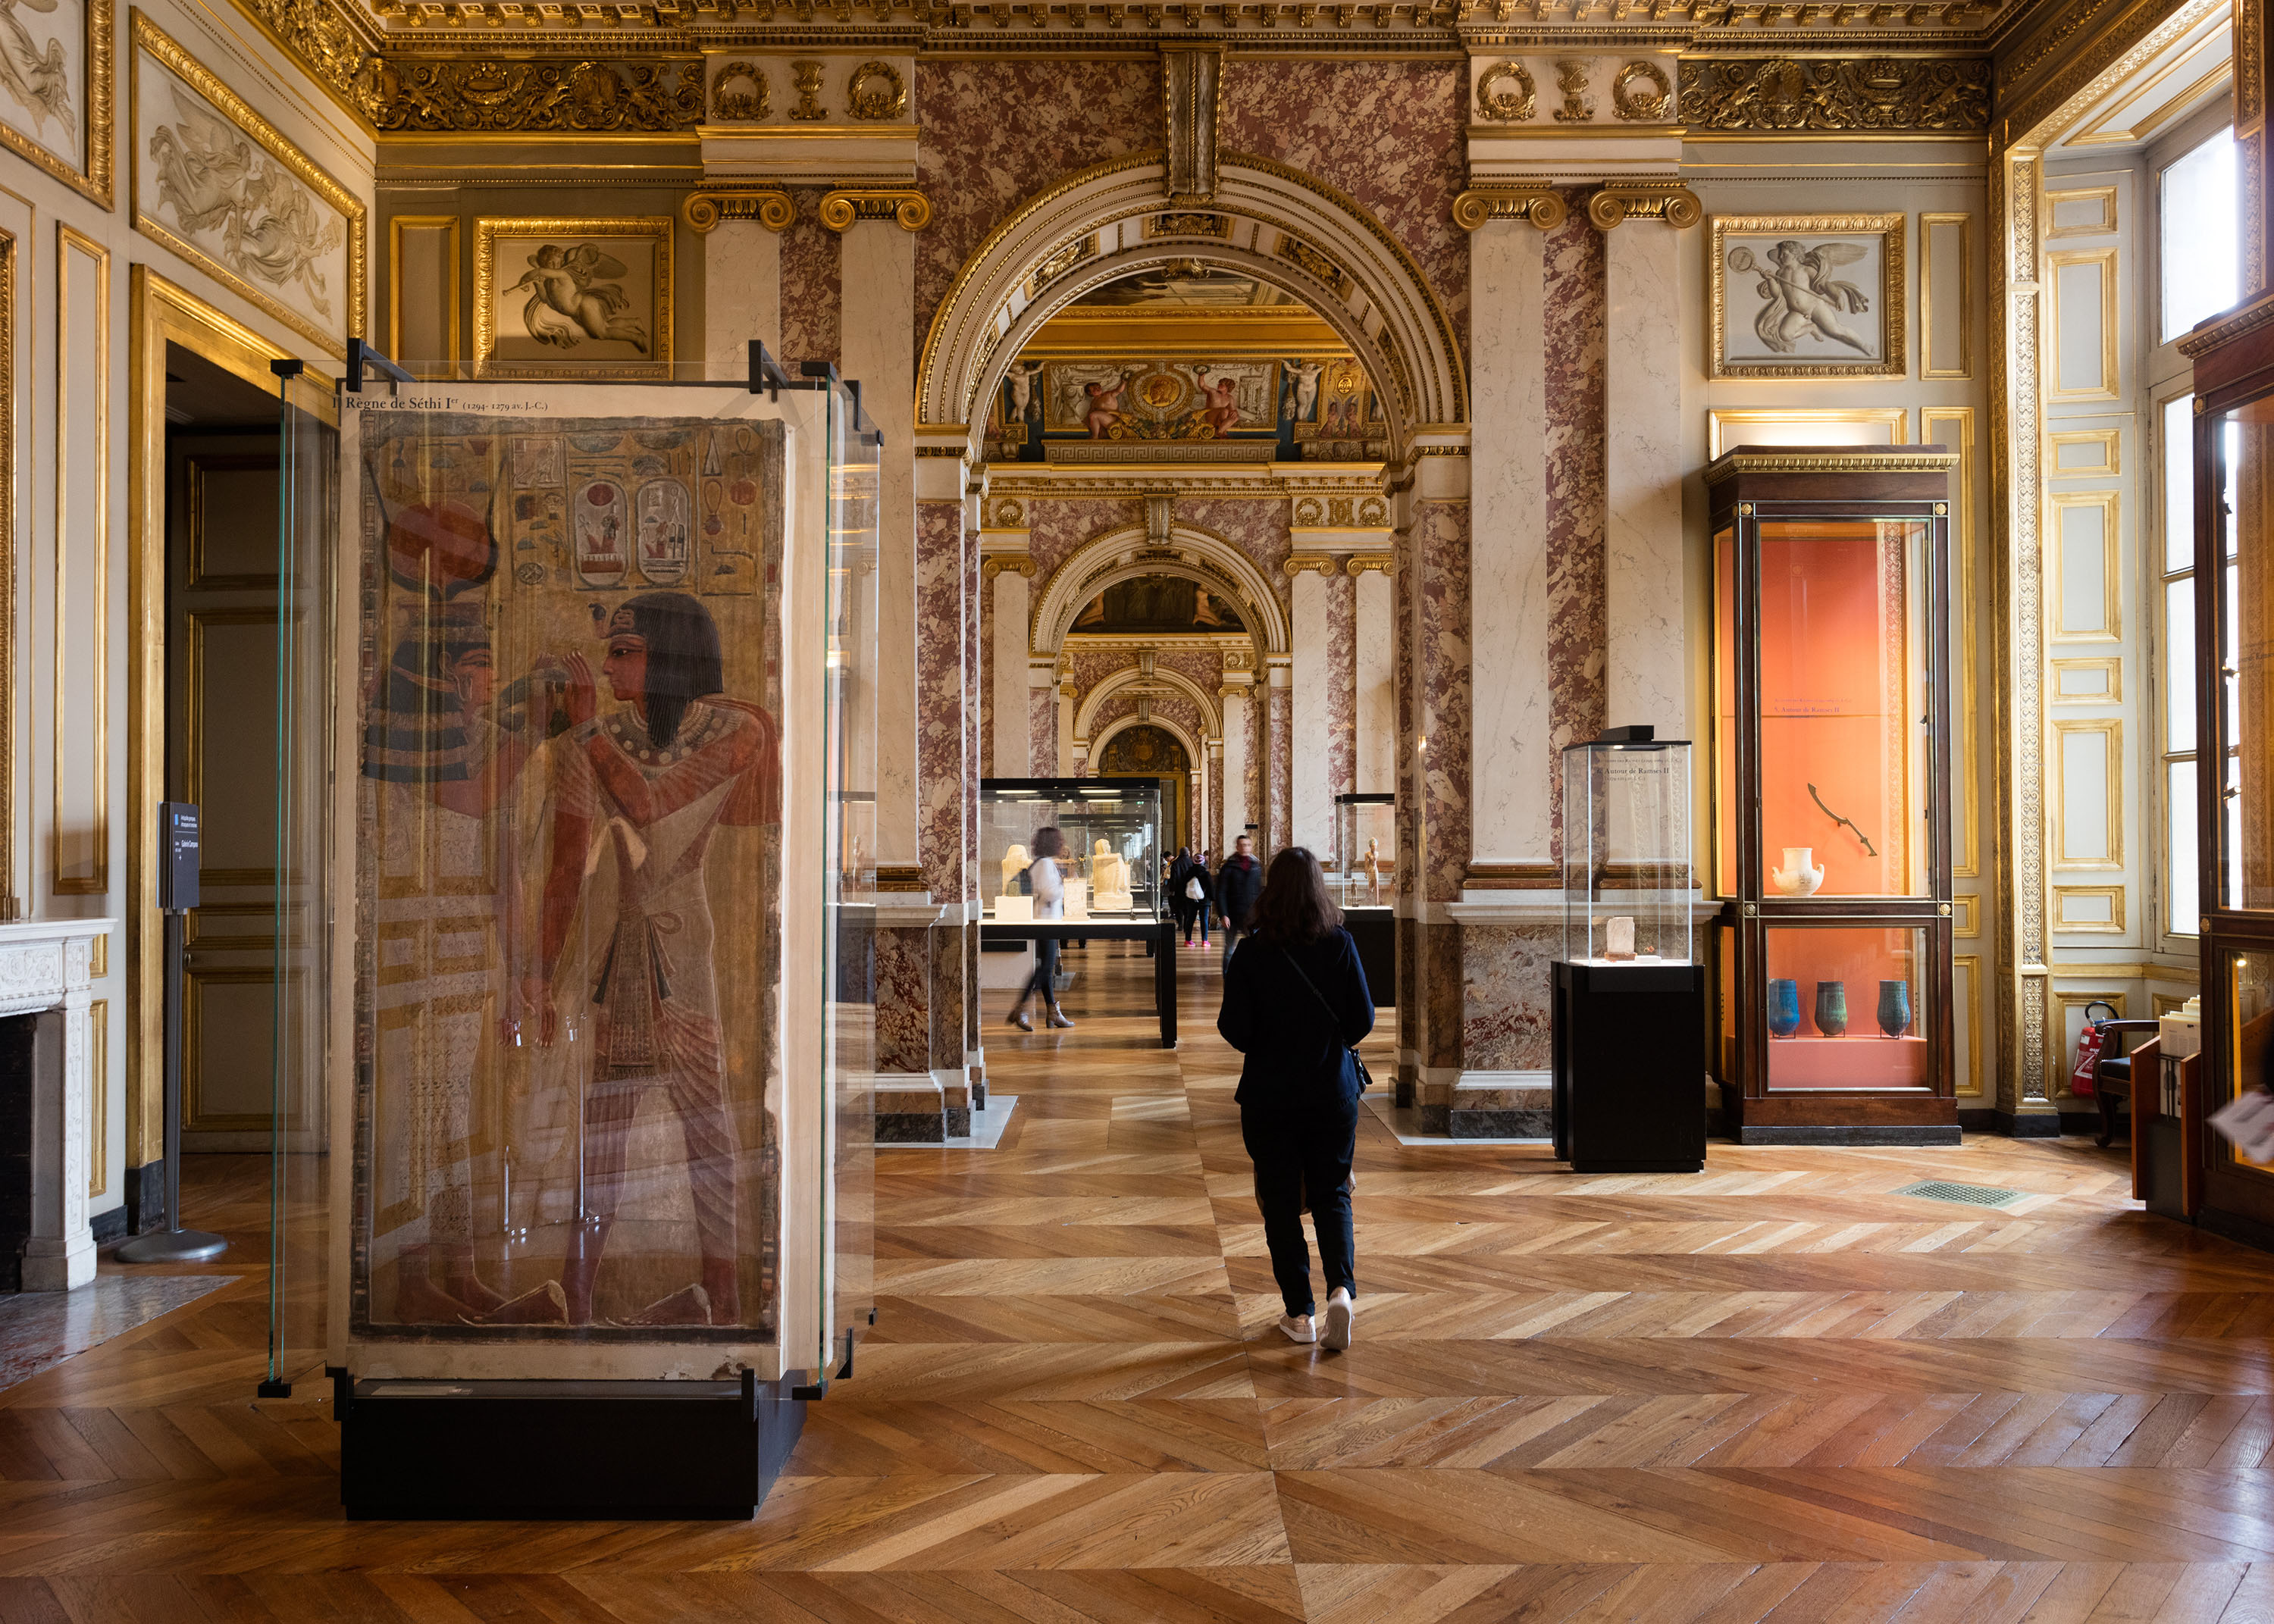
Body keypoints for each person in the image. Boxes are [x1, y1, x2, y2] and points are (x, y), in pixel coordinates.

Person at [1217, 847, 1372, 1350]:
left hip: (1270, 1096)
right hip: (1332, 1091)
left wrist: (1269, 1039)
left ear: (1271, 891)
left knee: (1280, 1204)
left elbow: (1234, 1029)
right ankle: (1341, 1292)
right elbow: (1362, 1020)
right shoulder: (1341, 944)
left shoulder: (1251, 952)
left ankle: (1300, 1313)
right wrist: (1327, 1041)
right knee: (1332, 1194)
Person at [1007, 825, 1074, 1032]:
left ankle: (1053, 1012)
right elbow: (1049, 893)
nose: (1062, 844)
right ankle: (1020, 1008)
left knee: (1046, 967)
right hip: (1046, 921)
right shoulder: (1045, 864)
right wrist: (1066, 885)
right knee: (1045, 968)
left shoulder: (1041, 863)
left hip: (1046, 920)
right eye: (1059, 840)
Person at [1214, 834, 1263, 973]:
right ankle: (1227, 975)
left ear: (1251, 847)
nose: (1244, 848)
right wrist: (1223, 914)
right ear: (1237, 847)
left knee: (1256, 948)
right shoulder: (1228, 867)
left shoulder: (1256, 867)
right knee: (1229, 949)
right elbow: (1221, 892)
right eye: (1242, 845)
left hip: (1251, 917)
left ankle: (1253, 975)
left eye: (1247, 845)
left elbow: (1258, 892)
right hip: (1232, 915)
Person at [1182, 853, 1214, 947]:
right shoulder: (1206, 873)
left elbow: (1184, 885)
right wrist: (1213, 898)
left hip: (1191, 899)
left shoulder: (1189, 872)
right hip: (1205, 900)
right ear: (1203, 861)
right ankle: (1205, 941)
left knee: (1190, 919)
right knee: (1204, 919)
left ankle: (1188, 940)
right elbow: (1211, 887)